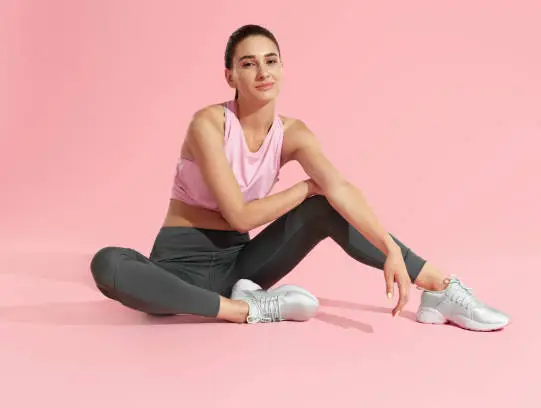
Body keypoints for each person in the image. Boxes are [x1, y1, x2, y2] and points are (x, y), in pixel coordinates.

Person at [90, 24, 510, 331]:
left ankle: (439, 286)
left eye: (271, 61)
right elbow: (239, 216)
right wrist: (306, 186)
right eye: (248, 64)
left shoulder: (293, 133)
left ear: (282, 67)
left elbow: (340, 188)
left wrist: (389, 248)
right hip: (176, 269)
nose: (262, 72)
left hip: (241, 268)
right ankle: (249, 310)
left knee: (324, 206)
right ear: (230, 76)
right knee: (108, 263)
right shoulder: (208, 124)